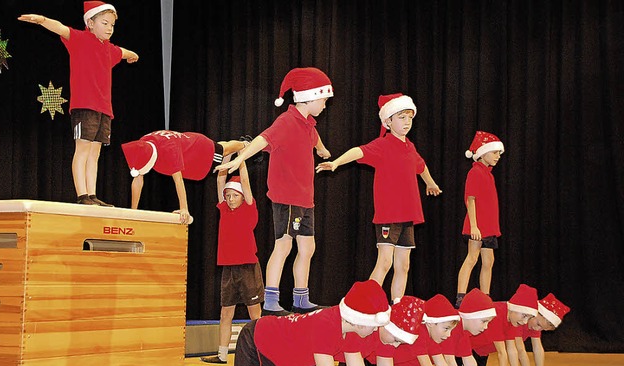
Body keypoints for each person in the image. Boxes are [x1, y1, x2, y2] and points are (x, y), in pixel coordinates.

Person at [170, 279, 391, 366]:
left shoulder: (350, 328)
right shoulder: (328, 324)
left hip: (278, 363)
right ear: (360, 319)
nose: (373, 333)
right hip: (257, 346)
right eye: (373, 327)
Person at [215, 67, 333, 315]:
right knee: (284, 245)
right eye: (323, 99)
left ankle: (301, 297)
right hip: (287, 197)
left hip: (305, 199)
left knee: (307, 248)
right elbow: (262, 139)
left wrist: (322, 151)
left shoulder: (308, 125)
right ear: (309, 98)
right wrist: (239, 160)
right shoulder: (287, 122)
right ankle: (270, 299)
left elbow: (315, 138)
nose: (325, 104)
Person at [316, 93, 442, 302]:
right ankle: (366, 304)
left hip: (407, 215)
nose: (407, 122)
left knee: (403, 265)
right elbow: (358, 151)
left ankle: (397, 307)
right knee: (384, 263)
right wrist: (337, 162)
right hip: (389, 214)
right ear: (388, 121)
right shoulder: (382, 144)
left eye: (409, 118)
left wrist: (430, 183)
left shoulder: (409, 146)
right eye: (401, 117)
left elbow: (421, 166)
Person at [19, 2, 139, 207]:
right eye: (105, 23)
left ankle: (92, 194)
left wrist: (133, 56)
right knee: (83, 149)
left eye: (112, 25)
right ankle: (82, 194)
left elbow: (123, 51)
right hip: (84, 106)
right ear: (90, 23)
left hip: (105, 109)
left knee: (95, 152)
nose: (110, 28)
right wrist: (41, 20)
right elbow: (60, 28)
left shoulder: (109, 50)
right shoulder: (80, 39)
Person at [201, 163, 264, 365]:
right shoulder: (224, 210)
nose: (229, 199)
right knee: (225, 312)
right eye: (227, 196)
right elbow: (220, 179)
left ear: (242, 197)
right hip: (229, 270)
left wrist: (242, 157)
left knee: (255, 314)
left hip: (247, 267)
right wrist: (226, 155)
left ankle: (261, 355)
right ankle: (221, 355)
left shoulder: (249, 209)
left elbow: (244, 181)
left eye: (234, 195)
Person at [121, 130, 247, 224]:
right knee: (220, 146)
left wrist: (184, 208)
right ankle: (242, 143)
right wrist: (134, 212)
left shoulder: (169, 150)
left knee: (223, 150)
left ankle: (244, 144)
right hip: (186, 143)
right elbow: (137, 179)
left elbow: (178, 180)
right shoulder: (143, 144)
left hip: (199, 148)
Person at [390, 295, 467, 366]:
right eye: (446, 329)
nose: (449, 335)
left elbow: (442, 365)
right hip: (377, 365)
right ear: (431, 323)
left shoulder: (431, 337)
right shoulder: (419, 331)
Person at [455, 131, 505, 308]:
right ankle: (460, 296)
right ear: (482, 153)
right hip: (478, 226)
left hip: (489, 227)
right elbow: (471, 199)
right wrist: (474, 226)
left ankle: (486, 296)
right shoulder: (475, 172)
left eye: (499, 153)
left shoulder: (488, 174)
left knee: (488, 261)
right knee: (472, 258)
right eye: (494, 153)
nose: (497, 157)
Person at [456, 283, 540, 366]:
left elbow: (512, 350)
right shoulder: (499, 314)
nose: (524, 322)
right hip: (467, 346)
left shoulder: (513, 320)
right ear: (514, 308)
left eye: (528, 318)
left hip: (481, 351)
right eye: (524, 316)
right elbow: (502, 352)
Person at [441, 288, 497, 366]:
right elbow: (450, 362)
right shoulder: (453, 326)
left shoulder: (463, 330)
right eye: (484, 321)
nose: (486, 327)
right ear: (470, 315)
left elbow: (469, 360)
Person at [514, 292, 570, 366]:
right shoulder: (518, 319)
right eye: (538, 324)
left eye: (542, 329)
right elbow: (520, 351)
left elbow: (537, 348)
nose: (537, 329)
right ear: (535, 312)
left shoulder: (535, 324)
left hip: (486, 347)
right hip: (482, 340)